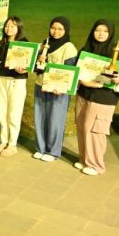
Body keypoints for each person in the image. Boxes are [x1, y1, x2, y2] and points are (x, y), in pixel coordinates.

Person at [75, 20, 119, 176]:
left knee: (95, 131)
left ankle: (96, 165)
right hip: (84, 94)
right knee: (81, 126)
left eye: (105, 31)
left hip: (103, 98)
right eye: (97, 30)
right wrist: (82, 81)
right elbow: (76, 72)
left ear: (110, 33)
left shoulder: (118, 53)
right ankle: (84, 159)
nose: (100, 33)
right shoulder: (86, 50)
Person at [33, 17, 77, 162]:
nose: (56, 31)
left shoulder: (69, 48)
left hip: (58, 90)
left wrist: (62, 87)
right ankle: (40, 147)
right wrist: (36, 62)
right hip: (41, 85)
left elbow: (69, 71)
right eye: (53, 28)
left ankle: (53, 151)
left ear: (66, 30)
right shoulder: (44, 44)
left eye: (60, 29)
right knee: (40, 117)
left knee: (55, 119)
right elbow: (35, 67)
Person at [0, 16, 30, 157]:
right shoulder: (2, 42)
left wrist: (24, 69)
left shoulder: (24, 44)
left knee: (14, 113)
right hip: (2, 79)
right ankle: (3, 141)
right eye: (7, 26)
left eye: (13, 26)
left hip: (16, 81)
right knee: (2, 112)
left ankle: (12, 144)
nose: (9, 29)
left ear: (19, 28)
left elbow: (29, 64)